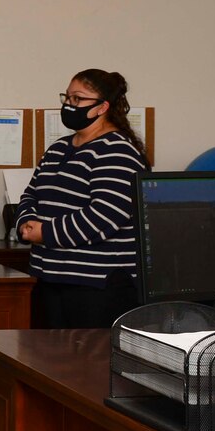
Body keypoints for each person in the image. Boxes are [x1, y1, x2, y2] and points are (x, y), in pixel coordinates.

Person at [16, 69, 148, 328]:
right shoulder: (58, 148)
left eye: (78, 99)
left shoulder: (118, 151)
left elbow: (103, 216)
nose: (68, 104)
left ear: (102, 107)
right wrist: (26, 223)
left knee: (87, 365)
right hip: (50, 278)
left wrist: (45, 232)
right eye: (67, 97)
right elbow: (31, 194)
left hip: (96, 288)